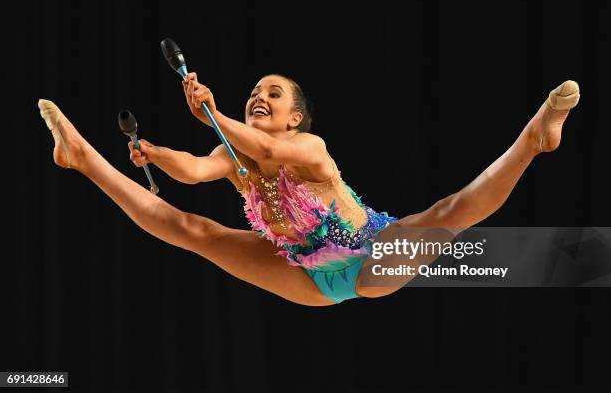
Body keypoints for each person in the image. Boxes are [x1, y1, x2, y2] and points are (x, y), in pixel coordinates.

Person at [38, 74, 580, 306]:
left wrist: (212, 113)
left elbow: (270, 154)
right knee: (193, 229)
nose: (259, 96)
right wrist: (156, 155)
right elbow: (195, 171)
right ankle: (82, 158)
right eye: (254, 91)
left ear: (294, 117)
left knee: (447, 212)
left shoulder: (310, 149)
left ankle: (534, 138)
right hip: (304, 276)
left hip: (372, 254)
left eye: (272, 94)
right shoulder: (233, 156)